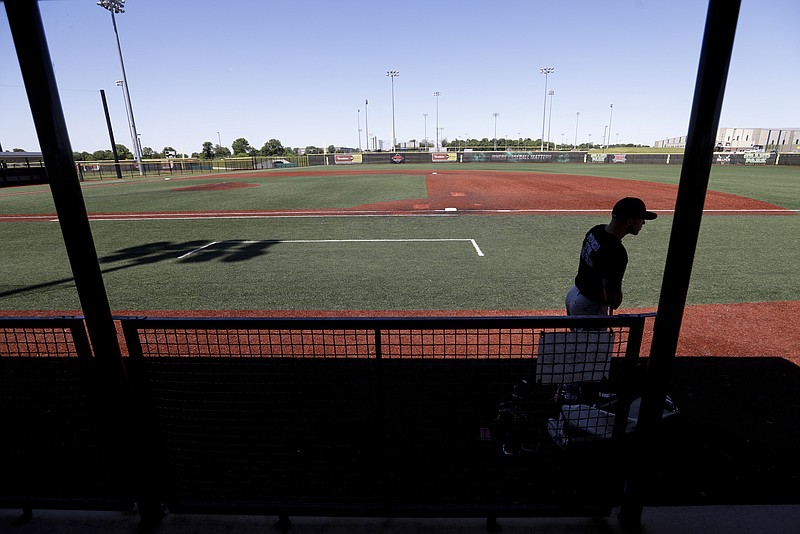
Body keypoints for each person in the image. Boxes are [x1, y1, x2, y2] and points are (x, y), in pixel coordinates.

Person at [565, 197, 657, 316]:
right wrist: (616, 298)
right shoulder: (616, 251)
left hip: (574, 294)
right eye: (641, 219)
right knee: (595, 336)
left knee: (578, 335)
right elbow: (611, 296)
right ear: (629, 221)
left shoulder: (596, 230)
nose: (643, 222)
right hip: (590, 306)